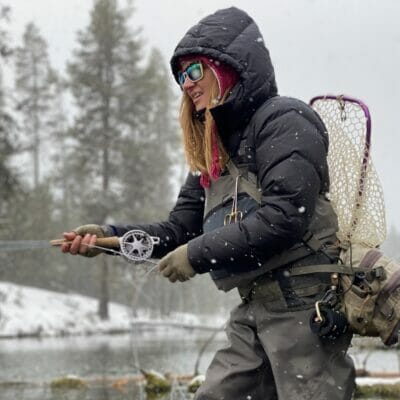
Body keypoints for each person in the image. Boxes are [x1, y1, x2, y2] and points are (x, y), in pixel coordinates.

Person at [60, 7, 355, 400]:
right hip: (253, 307)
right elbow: (178, 231)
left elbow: (285, 217)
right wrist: (110, 239)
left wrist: (196, 256)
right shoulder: (213, 151)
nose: (187, 84)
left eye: (195, 70)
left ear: (230, 65)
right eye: (181, 76)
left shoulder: (285, 120)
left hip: (305, 304)